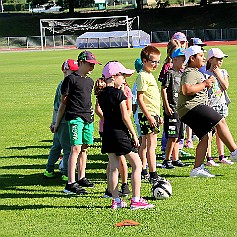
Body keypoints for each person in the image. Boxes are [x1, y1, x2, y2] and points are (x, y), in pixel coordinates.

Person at [98, 61, 154, 210]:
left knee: (114, 167)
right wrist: (134, 135)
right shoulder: (119, 94)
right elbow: (125, 116)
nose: (124, 79)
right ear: (114, 76)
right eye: (122, 75)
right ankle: (136, 199)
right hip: (120, 133)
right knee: (137, 164)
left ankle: (115, 200)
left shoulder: (101, 95)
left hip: (108, 134)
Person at [177, 45, 237, 177]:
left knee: (205, 137)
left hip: (189, 109)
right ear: (192, 58)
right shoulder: (190, 72)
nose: (204, 59)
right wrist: (205, 84)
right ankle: (234, 152)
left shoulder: (196, 71)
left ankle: (197, 169)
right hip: (191, 106)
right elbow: (186, 89)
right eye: (201, 56)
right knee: (220, 121)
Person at [54, 51, 101, 194]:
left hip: (88, 117)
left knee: (84, 148)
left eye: (93, 65)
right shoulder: (70, 79)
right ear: (81, 63)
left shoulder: (90, 81)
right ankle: (70, 183)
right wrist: (56, 123)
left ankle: (81, 177)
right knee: (75, 148)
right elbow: (63, 103)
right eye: (89, 64)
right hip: (75, 117)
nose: (92, 67)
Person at [43, 59, 78, 181]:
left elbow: (55, 106)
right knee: (68, 148)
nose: (74, 74)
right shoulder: (66, 85)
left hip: (58, 120)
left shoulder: (61, 84)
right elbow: (62, 106)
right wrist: (56, 123)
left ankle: (49, 169)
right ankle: (65, 172)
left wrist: (54, 122)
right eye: (72, 72)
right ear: (64, 71)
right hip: (64, 121)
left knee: (56, 146)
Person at [136, 45, 163, 184]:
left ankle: (143, 170)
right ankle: (153, 174)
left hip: (153, 114)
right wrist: (150, 116)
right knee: (151, 145)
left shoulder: (149, 75)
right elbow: (140, 99)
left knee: (146, 144)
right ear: (144, 61)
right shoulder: (142, 76)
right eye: (153, 61)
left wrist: (158, 115)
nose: (156, 64)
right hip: (148, 115)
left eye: (158, 62)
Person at [205, 48, 234, 166]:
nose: (220, 61)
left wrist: (218, 74)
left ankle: (222, 156)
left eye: (222, 59)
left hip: (221, 104)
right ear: (210, 59)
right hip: (211, 105)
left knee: (221, 131)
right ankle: (209, 157)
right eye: (218, 59)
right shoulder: (205, 73)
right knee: (209, 133)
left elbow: (226, 86)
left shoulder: (223, 72)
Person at [161, 48, 187, 169]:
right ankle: (167, 159)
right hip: (172, 109)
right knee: (172, 135)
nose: (184, 62)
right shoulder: (170, 73)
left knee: (178, 135)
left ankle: (176, 158)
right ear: (175, 59)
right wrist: (166, 106)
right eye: (182, 59)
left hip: (180, 109)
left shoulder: (182, 74)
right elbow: (164, 89)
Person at [132, 58, 149, 179]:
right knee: (143, 142)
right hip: (141, 115)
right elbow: (135, 102)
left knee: (145, 142)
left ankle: (144, 163)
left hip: (140, 115)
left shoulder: (141, 78)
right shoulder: (140, 81)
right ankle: (143, 166)